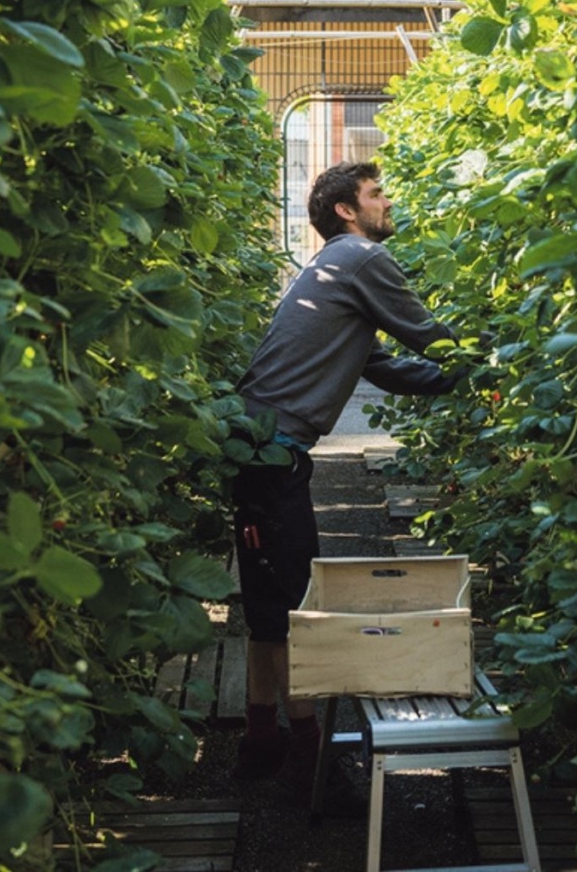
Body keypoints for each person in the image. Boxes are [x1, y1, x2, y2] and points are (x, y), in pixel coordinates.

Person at [230, 161, 461, 804]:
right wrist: (494, 358)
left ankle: (260, 744)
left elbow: (386, 367)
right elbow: (430, 337)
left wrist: (453, 378)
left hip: (258, 451)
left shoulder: (331, 267)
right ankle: (308, 761)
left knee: (268, 609)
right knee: (295, 609)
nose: (387, 202)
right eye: (375, 194)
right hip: (273, 455)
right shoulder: (361, 257)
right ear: (345, 211)